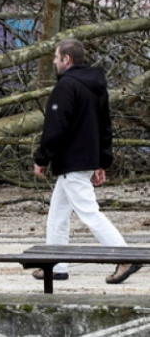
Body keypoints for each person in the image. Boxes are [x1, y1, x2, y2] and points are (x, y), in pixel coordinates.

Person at [32, 39, 139, 285]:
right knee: (57, 214)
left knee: (89, 213)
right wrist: (101, 161)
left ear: (66, 59)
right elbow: (104, 127)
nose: (54, 61)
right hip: (84, 160)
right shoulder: (95, 87)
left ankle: (125, 256)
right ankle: (56, 264)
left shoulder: (66, 87)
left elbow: (56, 126)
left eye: (56, 57)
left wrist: (42, 158)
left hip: (72, 160)